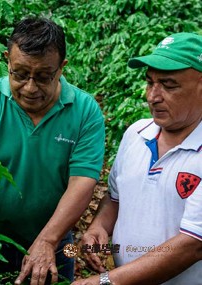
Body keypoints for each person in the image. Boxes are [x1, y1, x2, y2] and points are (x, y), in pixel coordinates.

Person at [0, 17, 105, 284]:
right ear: (7, 59)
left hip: (58, 238)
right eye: (19, 74)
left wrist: (48, 240)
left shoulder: (85, 111)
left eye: (43, 77)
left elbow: (83, 181)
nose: (29, 87)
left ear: (61, 68)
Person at [73, 32, 202, 285]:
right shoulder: (136, 134)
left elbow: (193, 244)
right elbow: (115, 198)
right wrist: (99, 227)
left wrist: (105, 281)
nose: (152, 96)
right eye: (150, 82)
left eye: (169, 85)